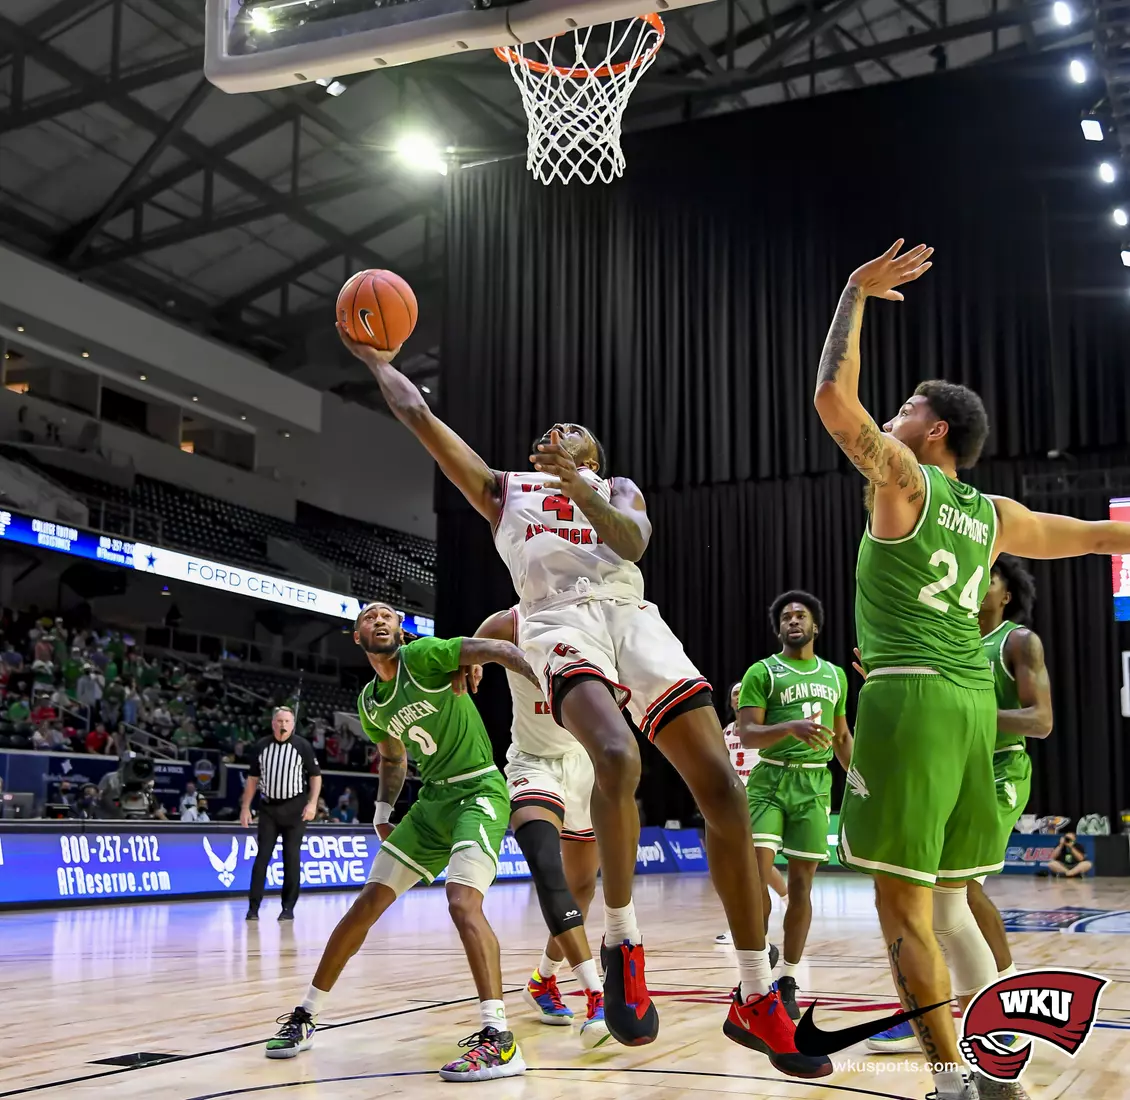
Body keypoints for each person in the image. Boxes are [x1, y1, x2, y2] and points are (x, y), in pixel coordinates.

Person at [339, 329, 828, 1076]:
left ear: (592, 453)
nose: (554, 436)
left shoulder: (616, 489)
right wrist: (379, 363)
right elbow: (421, 420)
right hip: (558, 620)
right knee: (615, 753)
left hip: (631, 616)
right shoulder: (505, 490)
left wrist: (577, 484)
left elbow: (630, 545)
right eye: (548, 436)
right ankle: (621, 941)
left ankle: (756, 995)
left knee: (724, 791)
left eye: (571, 436)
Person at [813, 239, 1130, 1100]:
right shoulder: (993, 516)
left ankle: (952, 1079)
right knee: (950, 904)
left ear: (933, 430)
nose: (892, 417)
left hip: (909, 700)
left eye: (906, 407)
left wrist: (854, 293)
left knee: (903, 911)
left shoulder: (904, 480)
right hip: (966, 711)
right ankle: (992, 1069)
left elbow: (832, 399)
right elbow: (1105, 537)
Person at [266, 602, 537, 1081]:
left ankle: (499, 1039)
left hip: (479, 790)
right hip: (431, 804)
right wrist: (382, 812)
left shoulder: (426, 656)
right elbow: (393, 759)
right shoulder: (371, 703)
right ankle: (306, 1016)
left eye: (389, 615)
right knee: (365, 905)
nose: (381, 619)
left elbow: (497, 648)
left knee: (461, 902)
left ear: (401, 630)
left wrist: (546, 685)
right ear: (357, 637)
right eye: (370, 616)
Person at [871, 556, 1051, 1054]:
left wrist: (966, 715)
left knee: (962, 887)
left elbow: (1040, 720)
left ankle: (1005, 1004)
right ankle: (932, 1009)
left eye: (987, 578)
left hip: (1000, 771)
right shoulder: (950, 644)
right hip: (950, 770)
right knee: (923, 897)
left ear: (1006, 593)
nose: (974, 585)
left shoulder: (1017, 641)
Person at [475, 606, 608, 1048]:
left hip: (584, 764)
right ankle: (597, 996)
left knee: (583, 886)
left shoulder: (600, 619)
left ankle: (543, 980)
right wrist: (466, 670)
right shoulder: (505, 624)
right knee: (546, 866)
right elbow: (466, 661)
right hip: (532, 762)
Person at [735, 591, 852, 1020]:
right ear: (779, 628)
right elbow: (747, 733)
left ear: (815, 626)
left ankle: (788, 976)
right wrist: (791, 727)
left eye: (800, 615)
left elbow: (841, 738)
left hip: (815, 784)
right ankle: (757, 963)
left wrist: (858, 782)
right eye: (785, 616)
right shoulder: (762, 672)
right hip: (769, 779)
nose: (793, 620)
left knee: (802, 885)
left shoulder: (836, 676)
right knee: (755, 875)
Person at [717, 682, 785, 945]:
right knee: (745, 865)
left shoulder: (764, 729)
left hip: (759, 801)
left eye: (743, 693)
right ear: (732, 702)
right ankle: (745, 922)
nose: (738, 697)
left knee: (753, 864)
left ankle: (747, 925)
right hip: (734, 803)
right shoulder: (726, 732)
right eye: (735, 693)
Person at [240, 707, 322, 921]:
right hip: (269, 809)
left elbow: (315, 776)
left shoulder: (302, 746)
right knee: (261, 859)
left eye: (287, 721)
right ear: (273, 723)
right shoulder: (261, 746)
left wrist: (312, 803)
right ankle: (253, 908)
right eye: (279, 721)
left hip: (295, 809)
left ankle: (288, 908)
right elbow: (252, 780)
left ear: (293, 724)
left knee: (291, 859)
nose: (283, 724)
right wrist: (245, 807)